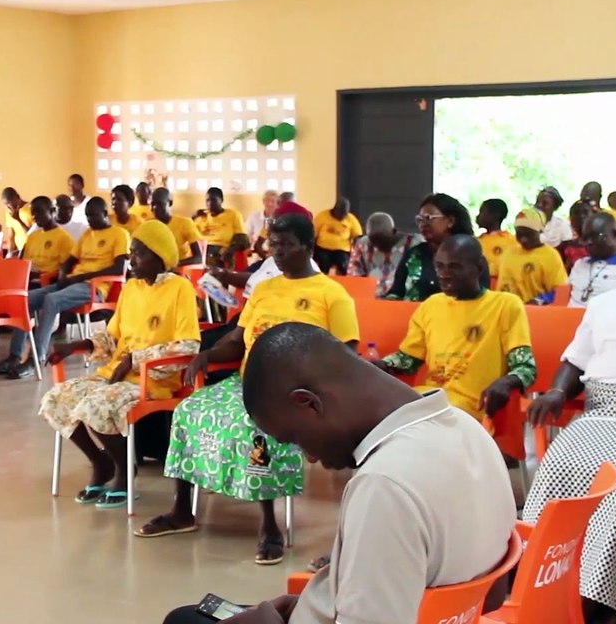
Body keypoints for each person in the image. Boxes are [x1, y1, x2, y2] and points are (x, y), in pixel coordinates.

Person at [160, 323, 516, 624]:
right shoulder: (468, 430)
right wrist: (311, 601)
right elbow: (491, 593)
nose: (311, 457)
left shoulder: (385, 485)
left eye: (296, 439)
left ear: (309, 403)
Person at [137, 213, 359, 566]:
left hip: (294, 392)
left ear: (308, 246)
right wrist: (207, 355)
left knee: (254, 427)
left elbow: (348, 354)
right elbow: (239, 340)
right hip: (248, 381)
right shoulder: (265, 289)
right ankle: (182, 510)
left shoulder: (331, 294)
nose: (279, 252)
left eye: (287, 245)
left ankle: (270, 525)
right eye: (274, 244)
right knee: (188, 411)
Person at [523, 221, 616, 624]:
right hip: (599, 415)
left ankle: (604, 604)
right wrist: (556, 392)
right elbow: (575, 359)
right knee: (558, 469)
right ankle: (538, 581)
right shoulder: (610, 303)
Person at [40, 221, 200, 509]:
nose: (131, 259)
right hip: (116, 375)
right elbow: (113, 337)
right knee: (56, 399)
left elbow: (188, 346)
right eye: (130, 252)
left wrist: (134, 359)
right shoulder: (131, 289)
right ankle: (102, 463)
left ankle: (126, 473)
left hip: (155, 380)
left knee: (97, 405)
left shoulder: (180, 288)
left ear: (159, 255)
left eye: (138, 253)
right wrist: (78, 345)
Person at [376, 236, 535, 419]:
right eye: (440, 266)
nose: (443, 274)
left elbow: (525, 367)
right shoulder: (431, 305)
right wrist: (380, 365)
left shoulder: (506, 305)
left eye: (454, 267)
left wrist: (506, 382)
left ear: (479, 268)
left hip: (471, 411)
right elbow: (408, 359)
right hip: (427, 401)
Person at [0, 197, 130, 380]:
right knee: (24, 299)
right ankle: (14, 356)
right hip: (74, 282)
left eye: (94, 216)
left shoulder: (119, 234)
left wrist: (81, 277)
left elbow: (119, 268)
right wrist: (63, 275)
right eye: (88, 216)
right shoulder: (87, 234)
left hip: (94, 288)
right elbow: (69, 261)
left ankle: (37, 359)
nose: (90, 220)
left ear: (105, 214)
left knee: (52, 300)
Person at [386, 193, 480, 301]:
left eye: (428, 218)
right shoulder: (414, 254)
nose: (423, 224)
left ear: (450, 221)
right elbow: (396, 291)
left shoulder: (469, 255)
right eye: (420, 220)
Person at [567, 211, 616, 307]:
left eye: (597, 236)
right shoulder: (579, 265)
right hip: (571, 319)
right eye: (586, 237)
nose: (589, 242)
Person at [496, 209, 568, 305]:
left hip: (534, 313)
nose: (523, 239)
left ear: (540, 231)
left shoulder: (550, 256)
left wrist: (538, 301)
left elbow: (560, 291)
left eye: (529, 234)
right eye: (519, 234)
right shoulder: (509, 252)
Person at [347, 212, 419, 298]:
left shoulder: (413, 244)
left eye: (382, 239)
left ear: (394, 231)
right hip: (372, 302)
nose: (378, 245)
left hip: (404, 301)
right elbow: (354, 277)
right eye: (373, 240)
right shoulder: (362, 244)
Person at [21, 196, 75, 280]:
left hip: (46, 283)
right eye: (32, 213)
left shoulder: (64, 238)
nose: (34, 216)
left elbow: (65, 271)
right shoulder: (32, 236)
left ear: (52, 211)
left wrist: (38, 276)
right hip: (26, 279)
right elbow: (23, 264)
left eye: (39, 212)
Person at [151, 187, 203, 267]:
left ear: (170, 203)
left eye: (159, 204)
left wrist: (173, 265)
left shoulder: (185, 223)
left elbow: (198, 258)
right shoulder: (150, 225)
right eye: (152, 204)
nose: (154, 208)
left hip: (179, 270)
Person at [311, 197, 362, 274]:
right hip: (323, 248)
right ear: (335, 209)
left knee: (343, 265)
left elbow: (357, 235)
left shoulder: (351, 219)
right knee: (323, 264)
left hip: (342, 250)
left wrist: (356, 248)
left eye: (345, 214)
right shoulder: (322, 216)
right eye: (340, 213)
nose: (342, 216)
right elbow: (313, 234)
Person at [194, 187, 246, 261]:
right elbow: (191, 236)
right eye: (207, 200)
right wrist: (193, 217)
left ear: (221, 200)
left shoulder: (233, 215)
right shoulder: (201, 217)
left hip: (220, 250)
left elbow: (242, 239)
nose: (210, 203)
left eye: (213, 200)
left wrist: (230, 250)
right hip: (201, 250)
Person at [476, 198, 515, 276]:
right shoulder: (475, 241)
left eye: (482, 212)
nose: (478, 216)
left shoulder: (512, 241)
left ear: (495, 215)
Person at [558, 200, 592, 272]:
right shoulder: (564, 247)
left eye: (585, 212)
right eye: (576, 213)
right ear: (570, 219)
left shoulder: (602, 246)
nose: (581, 216)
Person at [1, 187, 34, 255]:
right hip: (20, 251)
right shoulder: (9, 213)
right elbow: (11, 236)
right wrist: (10, 253)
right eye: (6, 205)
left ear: (17, 197)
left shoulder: (31, 208)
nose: (9, 207)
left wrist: (18, 219)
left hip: (32, 250)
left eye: (11, 203)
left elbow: (34, 233)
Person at [245, 190, 279, 255]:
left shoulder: (280, 218)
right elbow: (247, 234)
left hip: (275, 252)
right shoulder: (253, 216)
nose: (270, 204)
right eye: (267, 200)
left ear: (277, 203)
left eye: (273, 201)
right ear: (263, 201)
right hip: (256, 252)